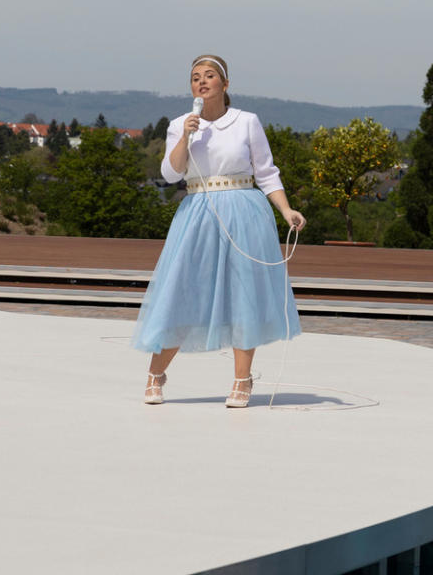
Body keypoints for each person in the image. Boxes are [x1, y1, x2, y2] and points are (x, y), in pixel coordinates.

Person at [131, 54, 306, 408]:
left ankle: (242, 380)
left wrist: (286, 210)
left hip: (244, 209)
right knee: (183, 290)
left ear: (225, 85)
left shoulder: (247, 122)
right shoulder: (181, 123)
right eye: (195, 77)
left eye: (210, 76)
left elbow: (266, 172)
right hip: (199, 210)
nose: (202, 81)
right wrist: (185, 137)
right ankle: (156, 374)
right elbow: (170, 173)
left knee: (245, 293)